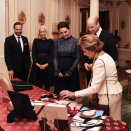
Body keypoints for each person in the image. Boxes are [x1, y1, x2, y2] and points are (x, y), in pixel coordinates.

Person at [60, 34, 122, 120]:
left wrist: (73, 94)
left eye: (85, 51)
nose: (84, 54)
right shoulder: (103, 56)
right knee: (114, 121)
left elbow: (94, 89)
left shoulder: (100, 61)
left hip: (107, 96)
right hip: (113, 93)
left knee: (107, 123)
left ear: (92, 49)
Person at [83, 16, 118, 86]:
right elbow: (85, 51)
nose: (90, 29)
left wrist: (96, 64)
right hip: (90, 73)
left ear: (98, 24)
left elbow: (114, 55)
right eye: (88, 27)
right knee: (91, 93)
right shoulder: (87, 36)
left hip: (103, 73)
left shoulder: (108, 36)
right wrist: (85, 63)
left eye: (92, 27)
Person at [54, 22, 81, 95]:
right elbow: (55, 57)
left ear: (69, 29)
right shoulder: (57, 41)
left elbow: (78, 58)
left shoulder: (76, 41)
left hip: (72, 72)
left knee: (71, 95)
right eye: (61, 33)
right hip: (60, 72)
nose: (64, 34)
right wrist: (57, 71)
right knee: (59, 95)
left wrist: (70, 71)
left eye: (65, 32)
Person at [29, 25, 54, 91]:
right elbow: (33, 54)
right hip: (37, 64)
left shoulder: (50, 41)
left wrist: (46, 64)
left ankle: (47, 96)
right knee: (38, 83)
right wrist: (36, 64)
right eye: (41, 32)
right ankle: (38, 96)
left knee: (47, 83)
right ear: (39, 33)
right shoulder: (36, 41)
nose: (42, 33)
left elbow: (52, 54)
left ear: (46, 32)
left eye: (44, 31)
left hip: (47, 64)